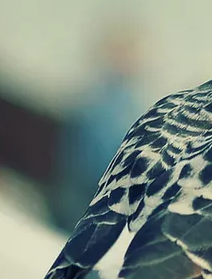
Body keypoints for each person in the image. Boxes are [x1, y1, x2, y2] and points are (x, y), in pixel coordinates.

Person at [53, 18, 147, 229]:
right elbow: (100, 165)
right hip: (83, 207)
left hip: (72, 196)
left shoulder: (93, 96)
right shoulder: (112, 104)